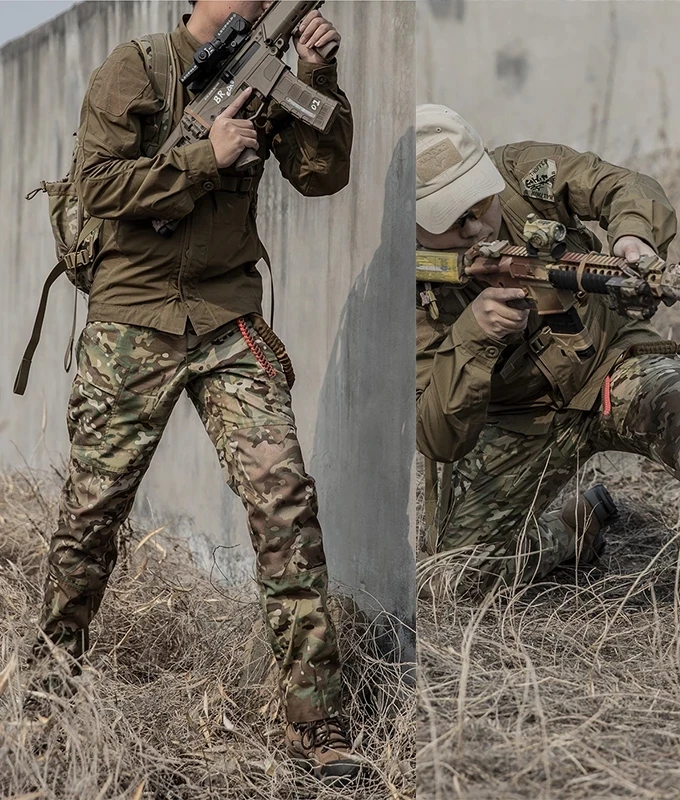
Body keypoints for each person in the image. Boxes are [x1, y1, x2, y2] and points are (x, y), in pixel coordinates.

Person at [28, 0, 362, 779]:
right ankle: (45, 700)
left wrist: (318, 76)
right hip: (132, 320)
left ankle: (319, 722)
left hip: (227, 316)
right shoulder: (136, 67)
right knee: (91, 517)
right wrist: (204, 156)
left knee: (286, 505)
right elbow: (100, 188)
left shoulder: (275, 69)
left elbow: (322, 176)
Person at [415, 103, 680, 694]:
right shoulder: (406, 287)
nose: (478, 228)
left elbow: (624, 185)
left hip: (616, 364)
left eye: (480, 205)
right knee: (453, 579)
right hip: (523, 420)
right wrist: (475, 336)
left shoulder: (524, 173)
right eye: (453, 221)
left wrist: (632, 237)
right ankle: (573, 528)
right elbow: (440, 435)